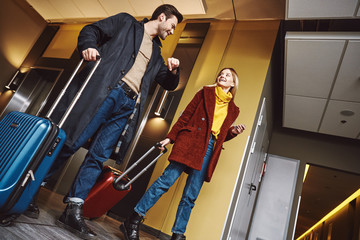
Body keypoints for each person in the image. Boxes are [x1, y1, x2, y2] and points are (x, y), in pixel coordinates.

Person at [25, 4, 183, 240]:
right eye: (171, 25)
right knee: (71, 142)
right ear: (161, 17)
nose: (171, 31)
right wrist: (88, 46)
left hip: (128, 106)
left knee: (98, 156)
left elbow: (168, 84)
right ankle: (29, 190)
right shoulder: (126, 23)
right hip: (106, 92)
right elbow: (92, 30)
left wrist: (172, 71)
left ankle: (73, 208)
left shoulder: (157, 55)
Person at [120, 68, 246, 240]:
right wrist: (170, 138)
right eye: (221, 73)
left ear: (233, 84)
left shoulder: (233, 110)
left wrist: (233, 132)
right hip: (190, 141)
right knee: (165, 181)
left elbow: (221, 136)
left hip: (209, 147)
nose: (222, 76)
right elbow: (186, 116)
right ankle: (133, 220)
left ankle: (178, 234)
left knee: (190, 195)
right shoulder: (204, 92)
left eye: (228, 75)